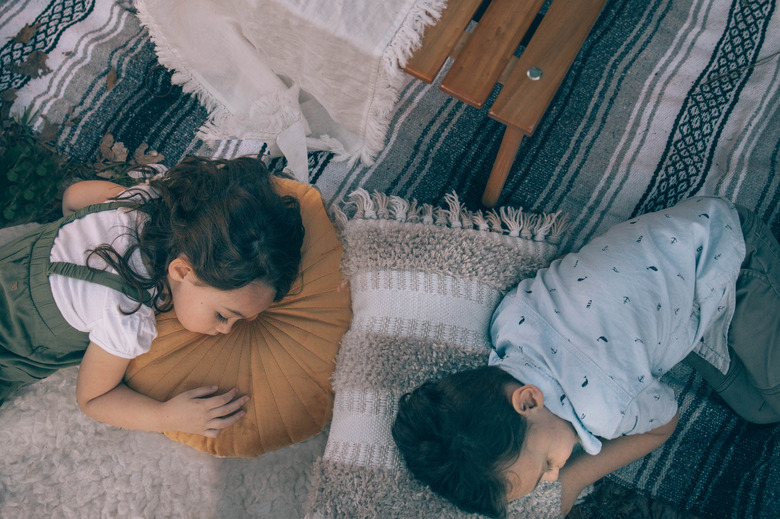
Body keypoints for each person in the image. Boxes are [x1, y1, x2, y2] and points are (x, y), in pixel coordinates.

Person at [392, 196, 780, 518]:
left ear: (529, 400)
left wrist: (573, 479)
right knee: (759, 411)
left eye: (545, 464)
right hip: (688, 233)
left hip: (737, 261)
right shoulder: (507, 323)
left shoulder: (605, 407)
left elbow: (664, 423)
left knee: (773, 405)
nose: (552, 474)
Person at [0, 156, 304, 438]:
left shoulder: (142, 201)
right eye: (223, 315)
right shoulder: (125, 313)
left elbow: (74, 196)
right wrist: (164, 416)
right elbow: (93, 398)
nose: (225, 330)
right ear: (182, 272)